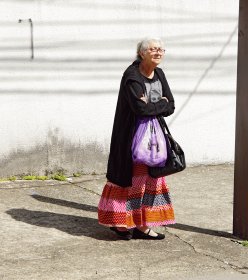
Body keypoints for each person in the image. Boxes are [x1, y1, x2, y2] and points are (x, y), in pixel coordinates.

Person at [98, 38, 175, 240]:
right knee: (130, 180)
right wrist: (160, 103)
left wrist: (153, 105)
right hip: (131, 137)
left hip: (153, 139)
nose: (158, 52)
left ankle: (142, 225)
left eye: (161, 49)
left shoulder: (159, 74)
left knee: (150, 179)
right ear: (142, 53)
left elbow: (171, 105)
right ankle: (121, 223)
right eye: (153, 49)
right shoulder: (131, 75)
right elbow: (139, 108)